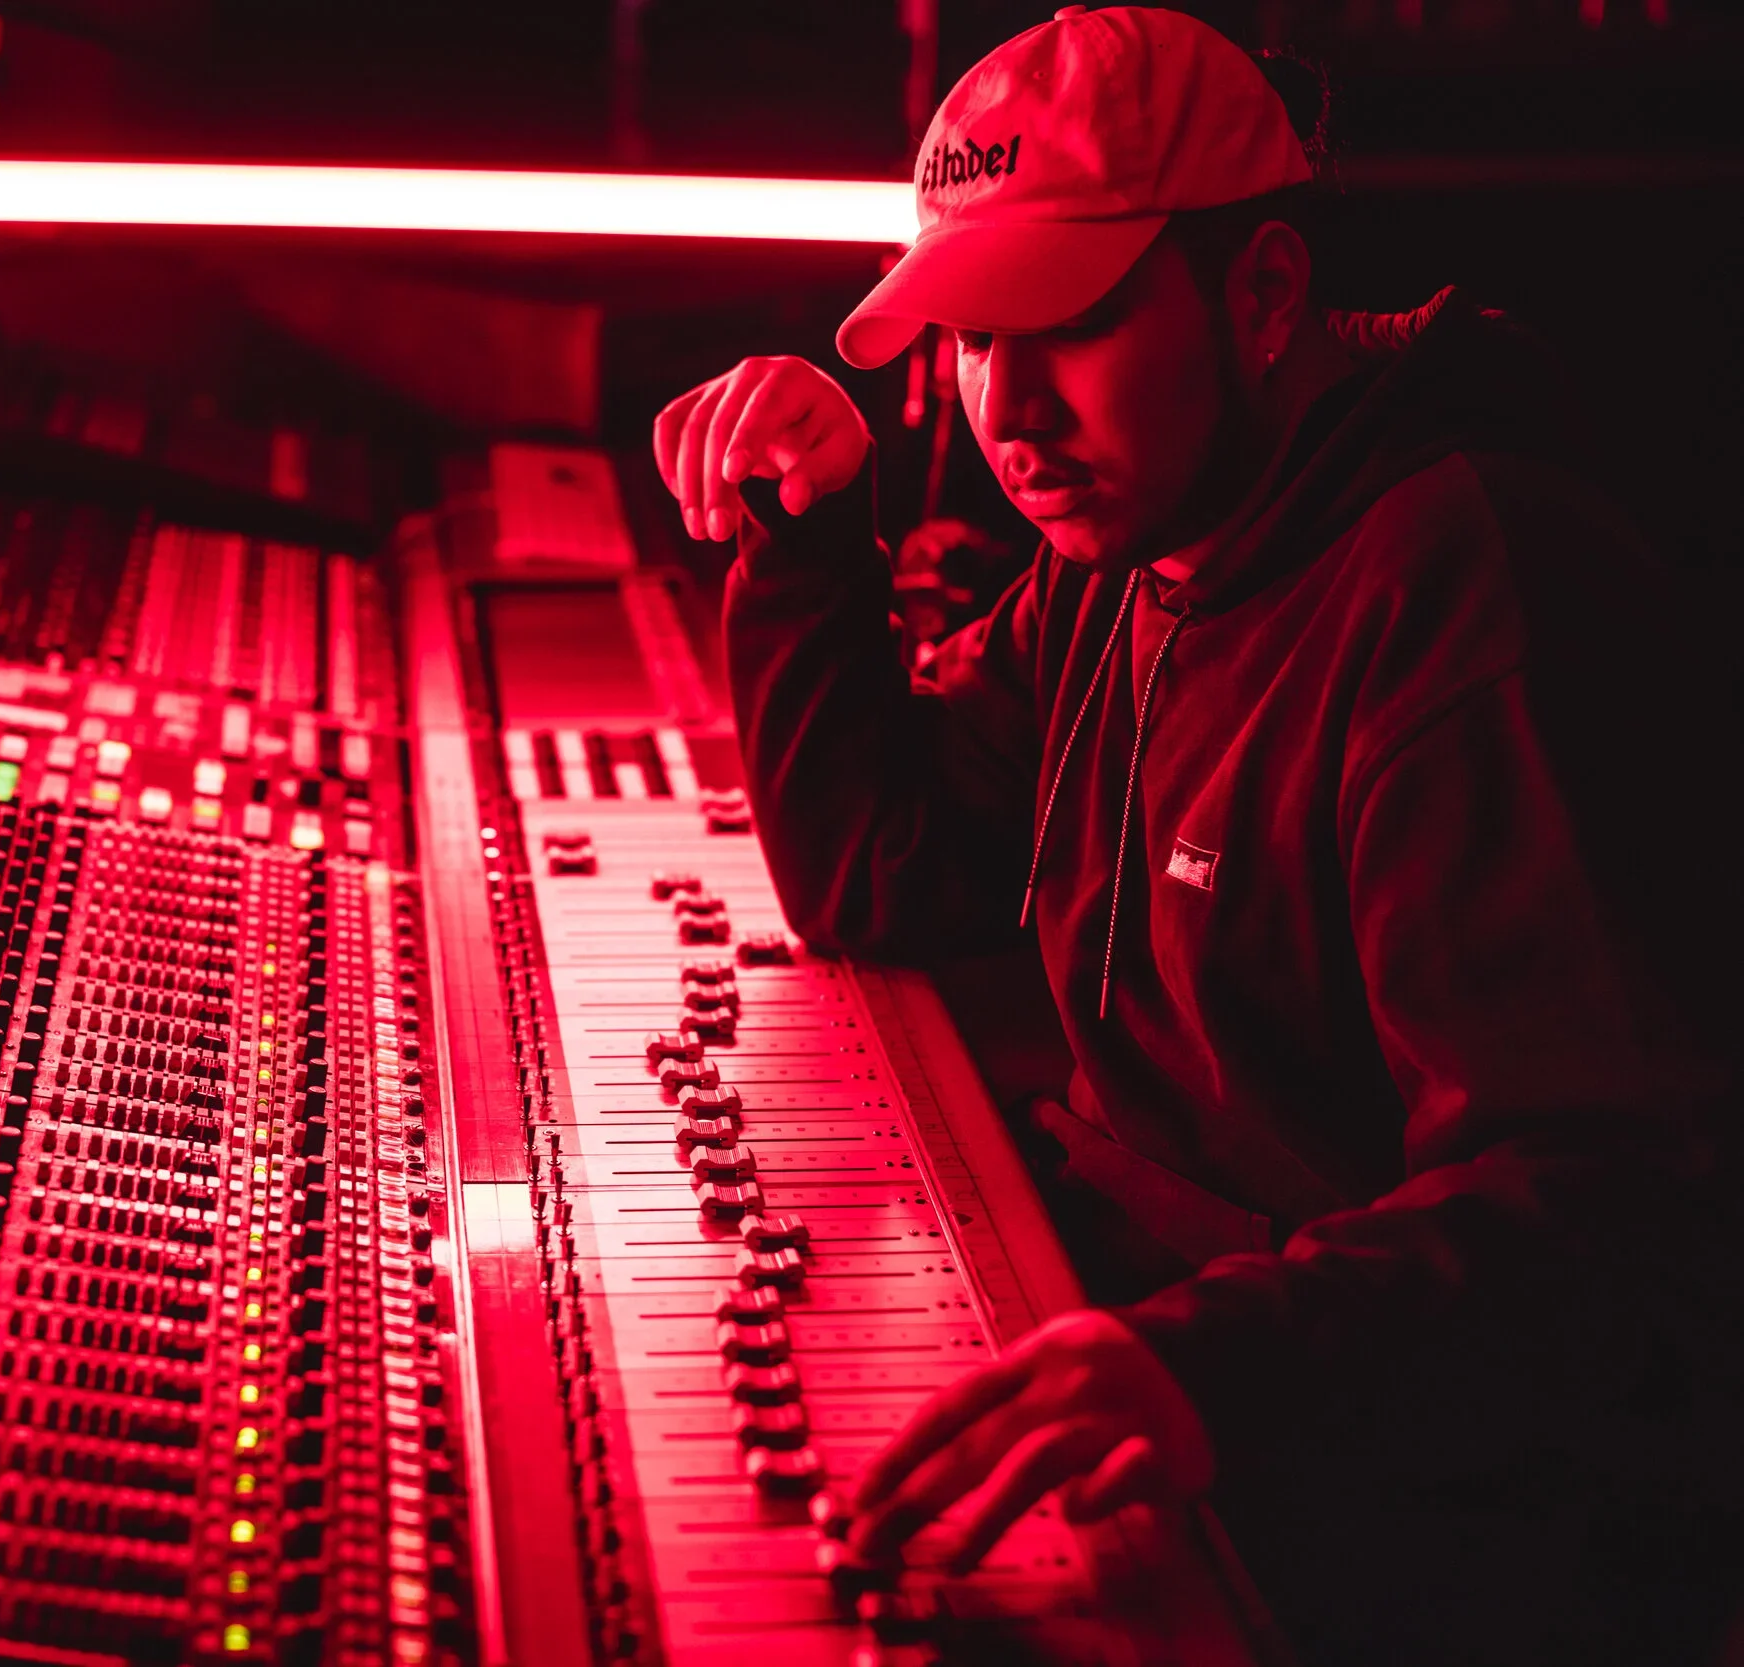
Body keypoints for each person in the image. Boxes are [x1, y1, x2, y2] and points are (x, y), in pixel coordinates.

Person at [653, 8, 1742, 1663]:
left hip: (1399, 1518)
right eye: (969, 339)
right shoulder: (1134, 545)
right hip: (1173, 1372)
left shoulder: (1469, 591)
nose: (1010, 412)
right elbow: (884, 869)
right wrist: (805, 542)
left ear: (1266, 295)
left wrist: (1209, 1367)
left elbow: (1616, 1213)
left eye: (1068, 323)